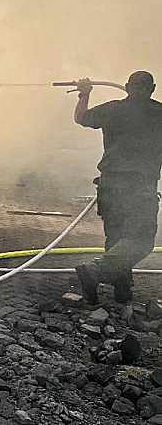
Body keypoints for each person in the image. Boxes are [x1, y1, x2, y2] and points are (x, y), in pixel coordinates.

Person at [73, 72, 162, 304]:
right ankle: (95, 271)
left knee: (117, 238)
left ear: (126, 87)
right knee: (141, 241)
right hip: (140, 187)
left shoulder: (112, 109)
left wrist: (84, 93)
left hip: (110, 185)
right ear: (152, 88)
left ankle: (122, 291)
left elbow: (81, 117)